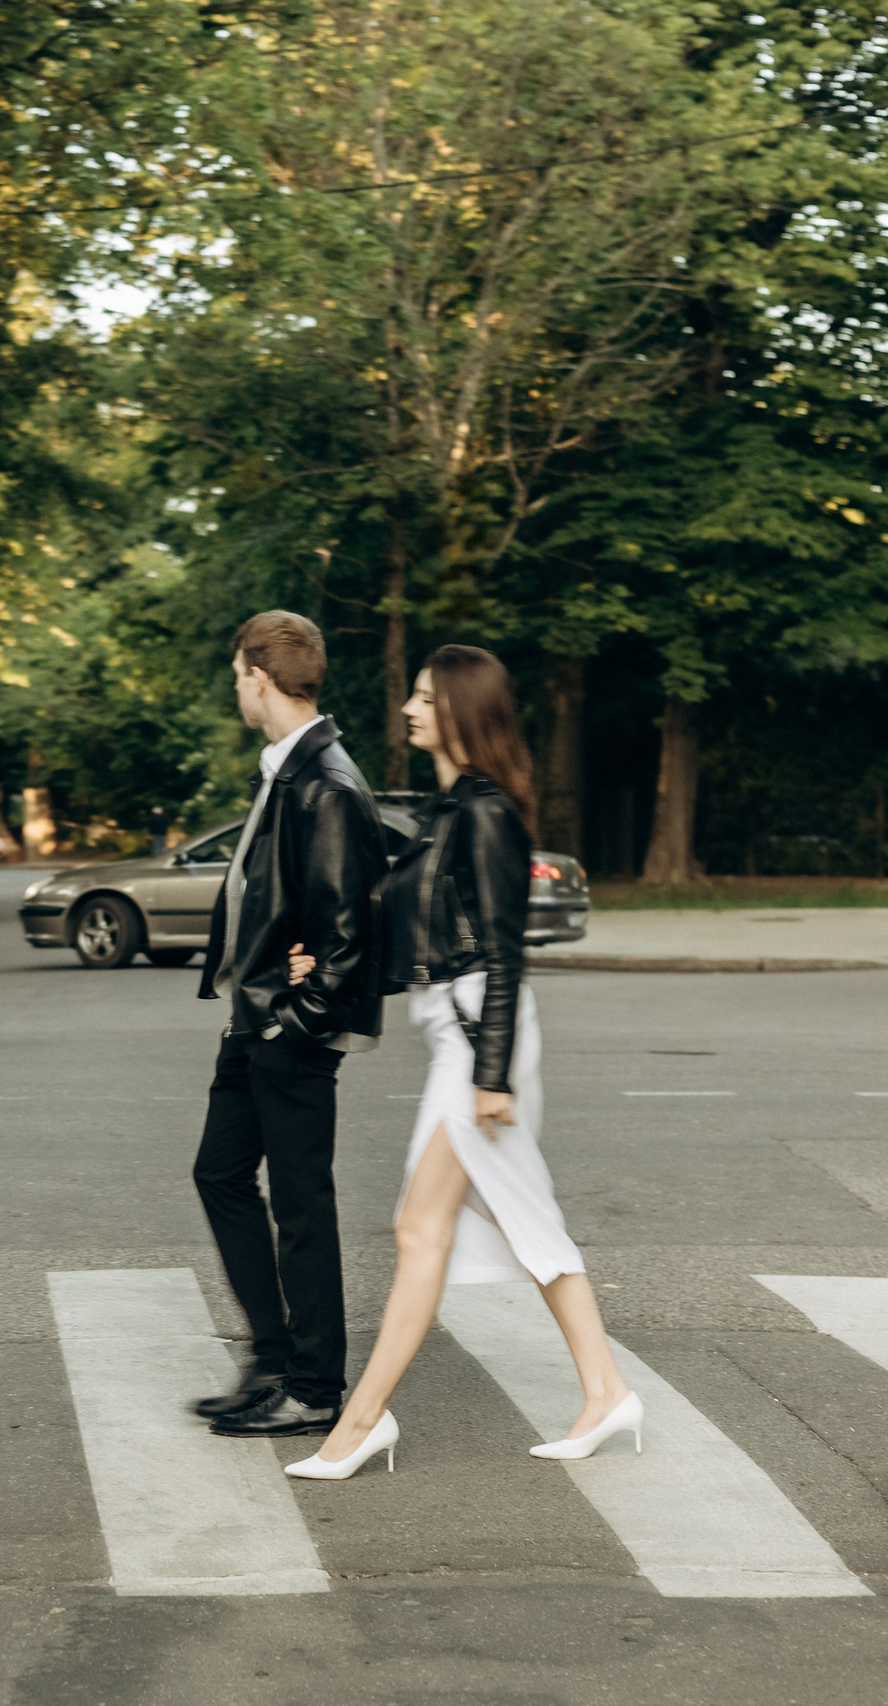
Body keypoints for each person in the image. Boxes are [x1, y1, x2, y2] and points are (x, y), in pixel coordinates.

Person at [280, 643, 634, 1481]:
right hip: (455, 1028)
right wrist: (326, 969)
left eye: (425, 698)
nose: (407, 708)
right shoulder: (449, 809)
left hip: (479, 1034)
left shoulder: (486, 814)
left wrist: (492, 1075)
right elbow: (411, 936)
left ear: (462, 712)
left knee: (419, 1229)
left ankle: (361, 1421)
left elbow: (504, 955)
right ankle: (606, 1391)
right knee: (520, 1221)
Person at [189, 611, 386, 1439]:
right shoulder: (287, 772)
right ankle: (272, 1356)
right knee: (221, 1174)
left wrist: (292, 1024)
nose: (236, 687)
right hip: (256, 1014)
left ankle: (313, 1385)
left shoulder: (326, 784)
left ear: (259, 676)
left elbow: (350, 936)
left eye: (238, 674)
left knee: (302, 1203)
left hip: (285, 1029)